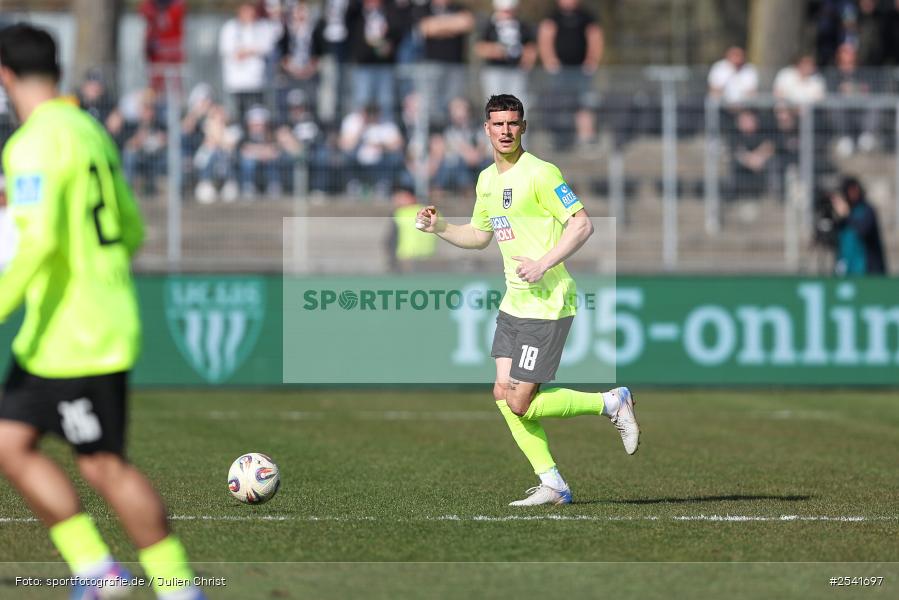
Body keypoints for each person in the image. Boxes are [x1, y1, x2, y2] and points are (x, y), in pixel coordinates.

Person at [0, 24, 204, 599]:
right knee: (10, 442)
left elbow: (39, 241)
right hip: (77, 327)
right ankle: (97, 572)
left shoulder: (32, 144)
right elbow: (131, 227)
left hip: (75, 334)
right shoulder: (89, 131)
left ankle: (177, 588)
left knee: (103, 465)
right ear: (58, 70)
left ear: (5, 75)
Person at [415, 94, 639, 506]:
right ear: (486, 129)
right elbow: (479, 236)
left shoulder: (541, 173)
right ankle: (552, 483)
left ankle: (610, 402)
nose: (505, 131)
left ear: (523, 127)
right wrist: (440, 227)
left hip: (547, 302)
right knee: (503, 394)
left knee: (519, 402)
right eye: (498, 124)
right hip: (514, 304)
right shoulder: (487, 180)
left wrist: (543, 263)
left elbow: (582, 224)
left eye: (513, 123)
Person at [537, 0, 602, 149]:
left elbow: (595, 37)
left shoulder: (586, 16)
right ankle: (560, 139)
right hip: (559, 72)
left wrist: (592, 60)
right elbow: (545, 38)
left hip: (582, 71)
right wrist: (549, 60)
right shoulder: (552, 17)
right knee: (559, 105)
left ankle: (586, 138)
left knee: (584, 103)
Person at [831, 176, 886, 275]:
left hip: (867, 271)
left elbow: (863, 230)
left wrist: (847, 214)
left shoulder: (867, 210)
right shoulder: (840, 216)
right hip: (846, 270)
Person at [386, 185, 436, 272]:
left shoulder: (399, 213)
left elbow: (391, 240)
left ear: (411, 197)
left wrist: (392, 261)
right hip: (429, 257)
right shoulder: (433, 212)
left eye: (401, 197)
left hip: (407, 259)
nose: (397, 201)